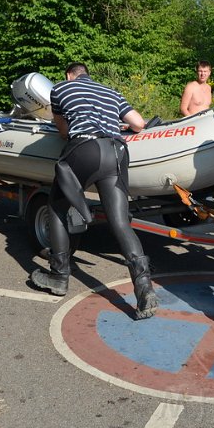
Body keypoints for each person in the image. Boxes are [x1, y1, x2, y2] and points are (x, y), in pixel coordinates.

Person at [30, 63, 158, 320]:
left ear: (69, 75)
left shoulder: (61, 89)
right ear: (88, 74)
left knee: (56, 207)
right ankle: (144, 288)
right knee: (120, 221)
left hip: (86, 149)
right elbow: (139, 123)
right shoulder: (110, 92)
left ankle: (59, 276)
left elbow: (64, 131)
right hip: (117, 152)